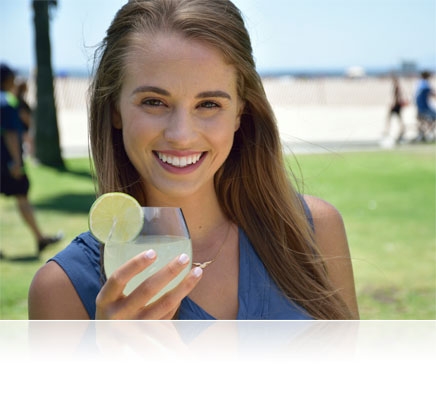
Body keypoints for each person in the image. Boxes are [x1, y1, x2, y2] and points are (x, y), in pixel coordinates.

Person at [28, 0, 359, 320]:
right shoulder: (62, 289)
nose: (181, 135)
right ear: (115, 109)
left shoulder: (314, 231)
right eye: (154, 102)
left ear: (240, 112)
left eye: (209, 104)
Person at [0, 63, 62, 256]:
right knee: (22, 196)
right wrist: (17, 161)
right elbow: (11, 134)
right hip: (7, 161)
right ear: (7, 80)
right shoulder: (6, 102)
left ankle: (40, 238)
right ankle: (40, 238)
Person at [383, 75, 407, 144]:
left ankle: (388, 132)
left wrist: (393, 104)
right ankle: (400, 132)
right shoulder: (398, 87)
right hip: (397, 105)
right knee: (397, 119)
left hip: (396, 106)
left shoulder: (397, 88)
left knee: (390, 119)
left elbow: (397, 97)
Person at [414, 70, 436, 142]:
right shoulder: (425, 84)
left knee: (423, 121)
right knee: (431, 119)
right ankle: (429, 134)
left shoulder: (419, 83)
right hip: (424, 107)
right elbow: (433, 94)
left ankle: (423, 135)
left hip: (419, 107)